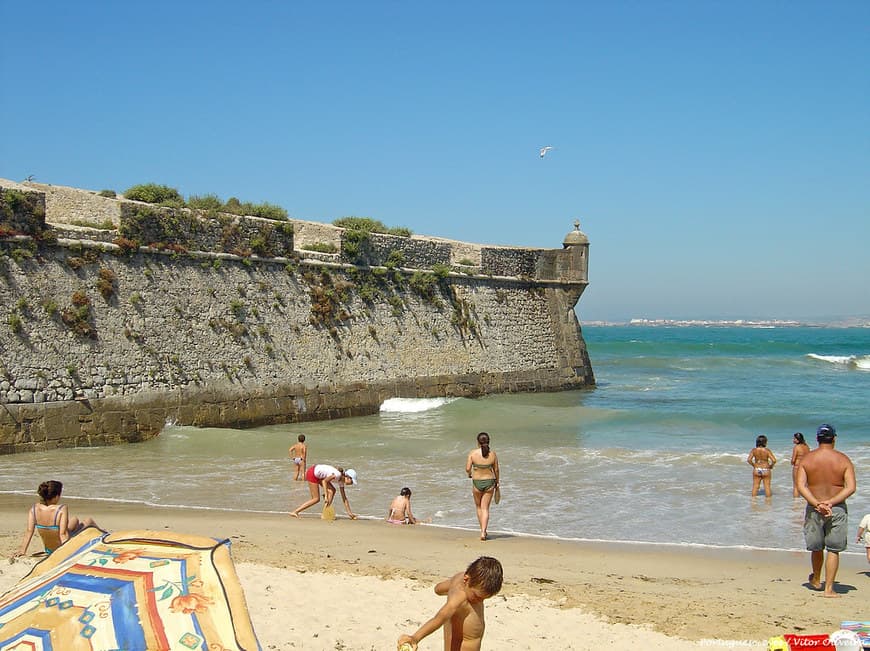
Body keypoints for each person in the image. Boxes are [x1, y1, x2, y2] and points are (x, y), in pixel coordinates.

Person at [796, 424, 856, 597]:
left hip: (815, 508)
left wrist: (818, 503)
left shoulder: (807, 459)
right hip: (836, 508)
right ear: (834, 438)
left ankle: (816, 579)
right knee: (833, 549)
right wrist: (830, 502)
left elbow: (801, 486)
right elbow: (850, 487)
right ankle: (829, 588)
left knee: (816, 547)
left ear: (817, 439)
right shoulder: (843, 459)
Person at [396, 556, 503, 651]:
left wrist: (442, 589)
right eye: (477, 596)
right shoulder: (459, 599)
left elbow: (438, 589)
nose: (480, 601)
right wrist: (415, 638)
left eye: (484, 599)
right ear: (467, 580)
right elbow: (439, 619)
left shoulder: (460, 577)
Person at [14, 480, 99, 557]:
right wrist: (67, 552)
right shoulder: (61, 509)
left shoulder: (34, 509)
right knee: (88, 521)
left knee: (75, 519)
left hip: (50, 550)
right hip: (60, 548)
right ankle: (106, 539)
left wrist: (22, 550)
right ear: (56, 496)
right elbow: (63, 534)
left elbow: (29, 531)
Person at [290, 464, 358, 519]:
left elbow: (344, 498)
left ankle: (324, 513)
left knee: (332, 490)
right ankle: (295, 512)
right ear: (348, 477)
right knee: (316, 499)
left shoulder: (341, 481)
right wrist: (326, 495)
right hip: (312, 473)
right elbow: (324, 481)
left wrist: (349, 513)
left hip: (319, 476)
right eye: (352, 482)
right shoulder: (337, 475)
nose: (351, 484)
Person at [465, 432, 499, 541]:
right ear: (488, 442)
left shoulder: (472, 453)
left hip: (477, 482)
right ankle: (484, 531)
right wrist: (497, 482)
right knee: (485, 508)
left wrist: (470, 474)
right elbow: (496, 470)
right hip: (489, 482)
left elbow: (467, 468)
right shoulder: (493, 454)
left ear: (478, 442)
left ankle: (482, 531)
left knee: (479, 507)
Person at [790, 432, 810, 497]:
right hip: (805, 467)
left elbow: (793, 460)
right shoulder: (806, 446)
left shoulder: (796, 447)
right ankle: (803, 501)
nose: (793, 440)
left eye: (794, 438)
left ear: (798, 439)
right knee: (804, 485)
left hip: (797, 467)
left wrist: (792, 463)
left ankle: (796, 502)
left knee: (796, 486)